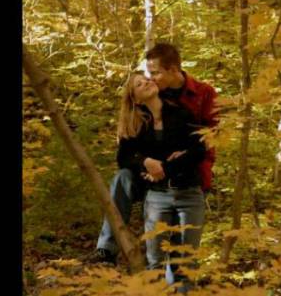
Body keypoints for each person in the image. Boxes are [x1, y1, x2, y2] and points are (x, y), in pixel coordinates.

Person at [88, 43, 218, 265]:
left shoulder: (201, 95)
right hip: (151, 175)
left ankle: (176, 276)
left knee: (181, 250)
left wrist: (182, 156)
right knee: (122, 178)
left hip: (187, 172)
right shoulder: (151, 98)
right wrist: (145, 162)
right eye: (147, 75)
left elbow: (212, 136)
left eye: (155, 73)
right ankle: (107, 248)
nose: (150, 79)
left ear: (173, 70)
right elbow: (127, 151)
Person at [117, 72, 206, 291]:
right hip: (157, 196)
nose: (146, 82)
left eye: (146, 79)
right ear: (136, 99)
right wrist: (145, 162)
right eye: (139, 84)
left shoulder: (181, 112)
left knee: (186, 263)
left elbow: (199, 149)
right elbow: (123, 158)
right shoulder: (136, 124)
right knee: (155, 261)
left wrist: (165, 168)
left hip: (190, 194)